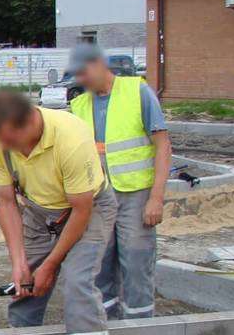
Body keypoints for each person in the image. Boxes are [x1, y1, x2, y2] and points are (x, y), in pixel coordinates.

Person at [0, 90, 118, 335]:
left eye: (14, 140)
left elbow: (82, 211)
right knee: (24, 290)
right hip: (39, 211)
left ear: (31, 120)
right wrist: (20, 264)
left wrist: (51, 265)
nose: (11, 149)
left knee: (78, 288)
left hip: (86, 210)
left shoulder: (71, 138)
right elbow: (6, 203)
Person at [69, 43, 172, 320]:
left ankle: (139, 328)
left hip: (135, 196)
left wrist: (156, 198)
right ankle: (106, 324)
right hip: (98, 199)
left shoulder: (138, 92)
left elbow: (162, 145)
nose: (81, 81)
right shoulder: (79, 105)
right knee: (99, 266)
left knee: (136, 264)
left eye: (83, 74)